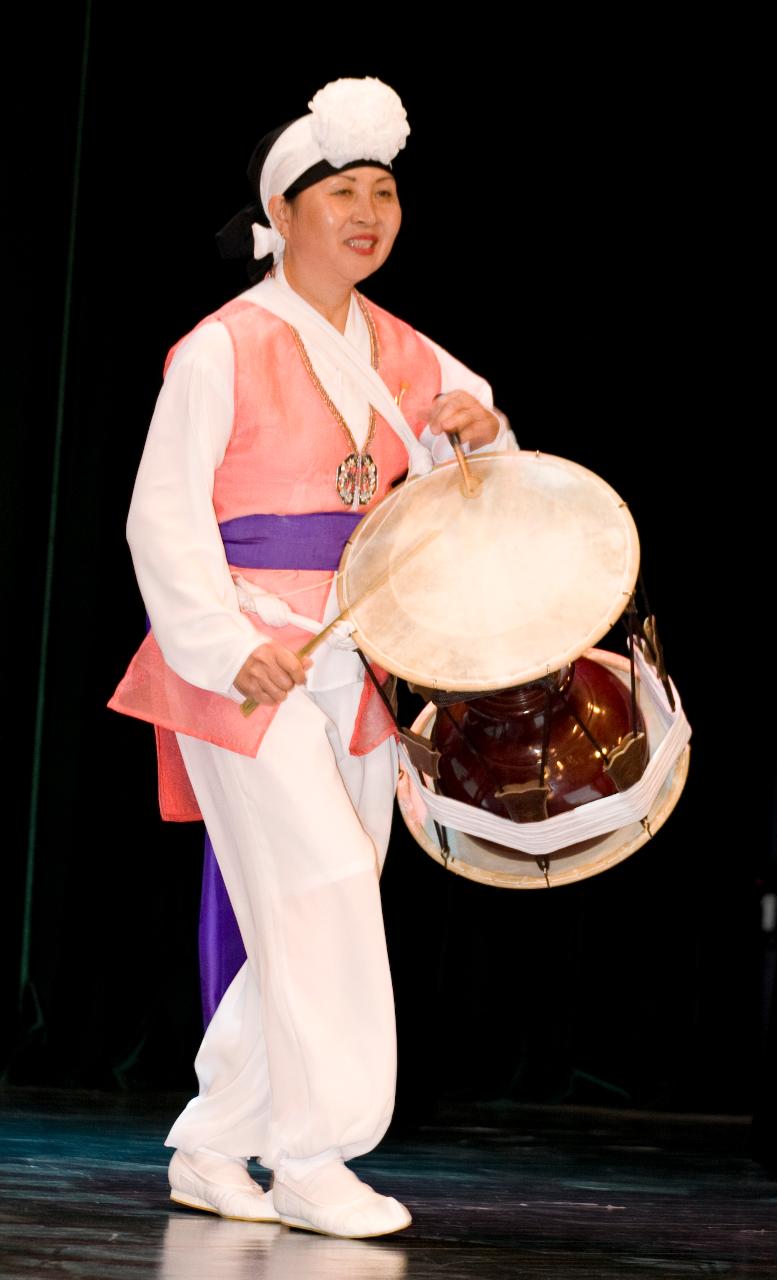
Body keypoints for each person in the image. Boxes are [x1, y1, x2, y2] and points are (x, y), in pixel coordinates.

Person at [110, 76, 509, 1239]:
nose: (369, 211)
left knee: (316, 900)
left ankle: (213, 1137)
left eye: (384, 191)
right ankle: (316, 1155)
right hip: (244, 654)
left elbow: (457, 463)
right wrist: (230, 645)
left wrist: (479, 432)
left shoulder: (396, 345)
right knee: (324, 890)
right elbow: (160, 517)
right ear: (281, 212)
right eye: (342, 190)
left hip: (349, 653)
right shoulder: (222, 345)